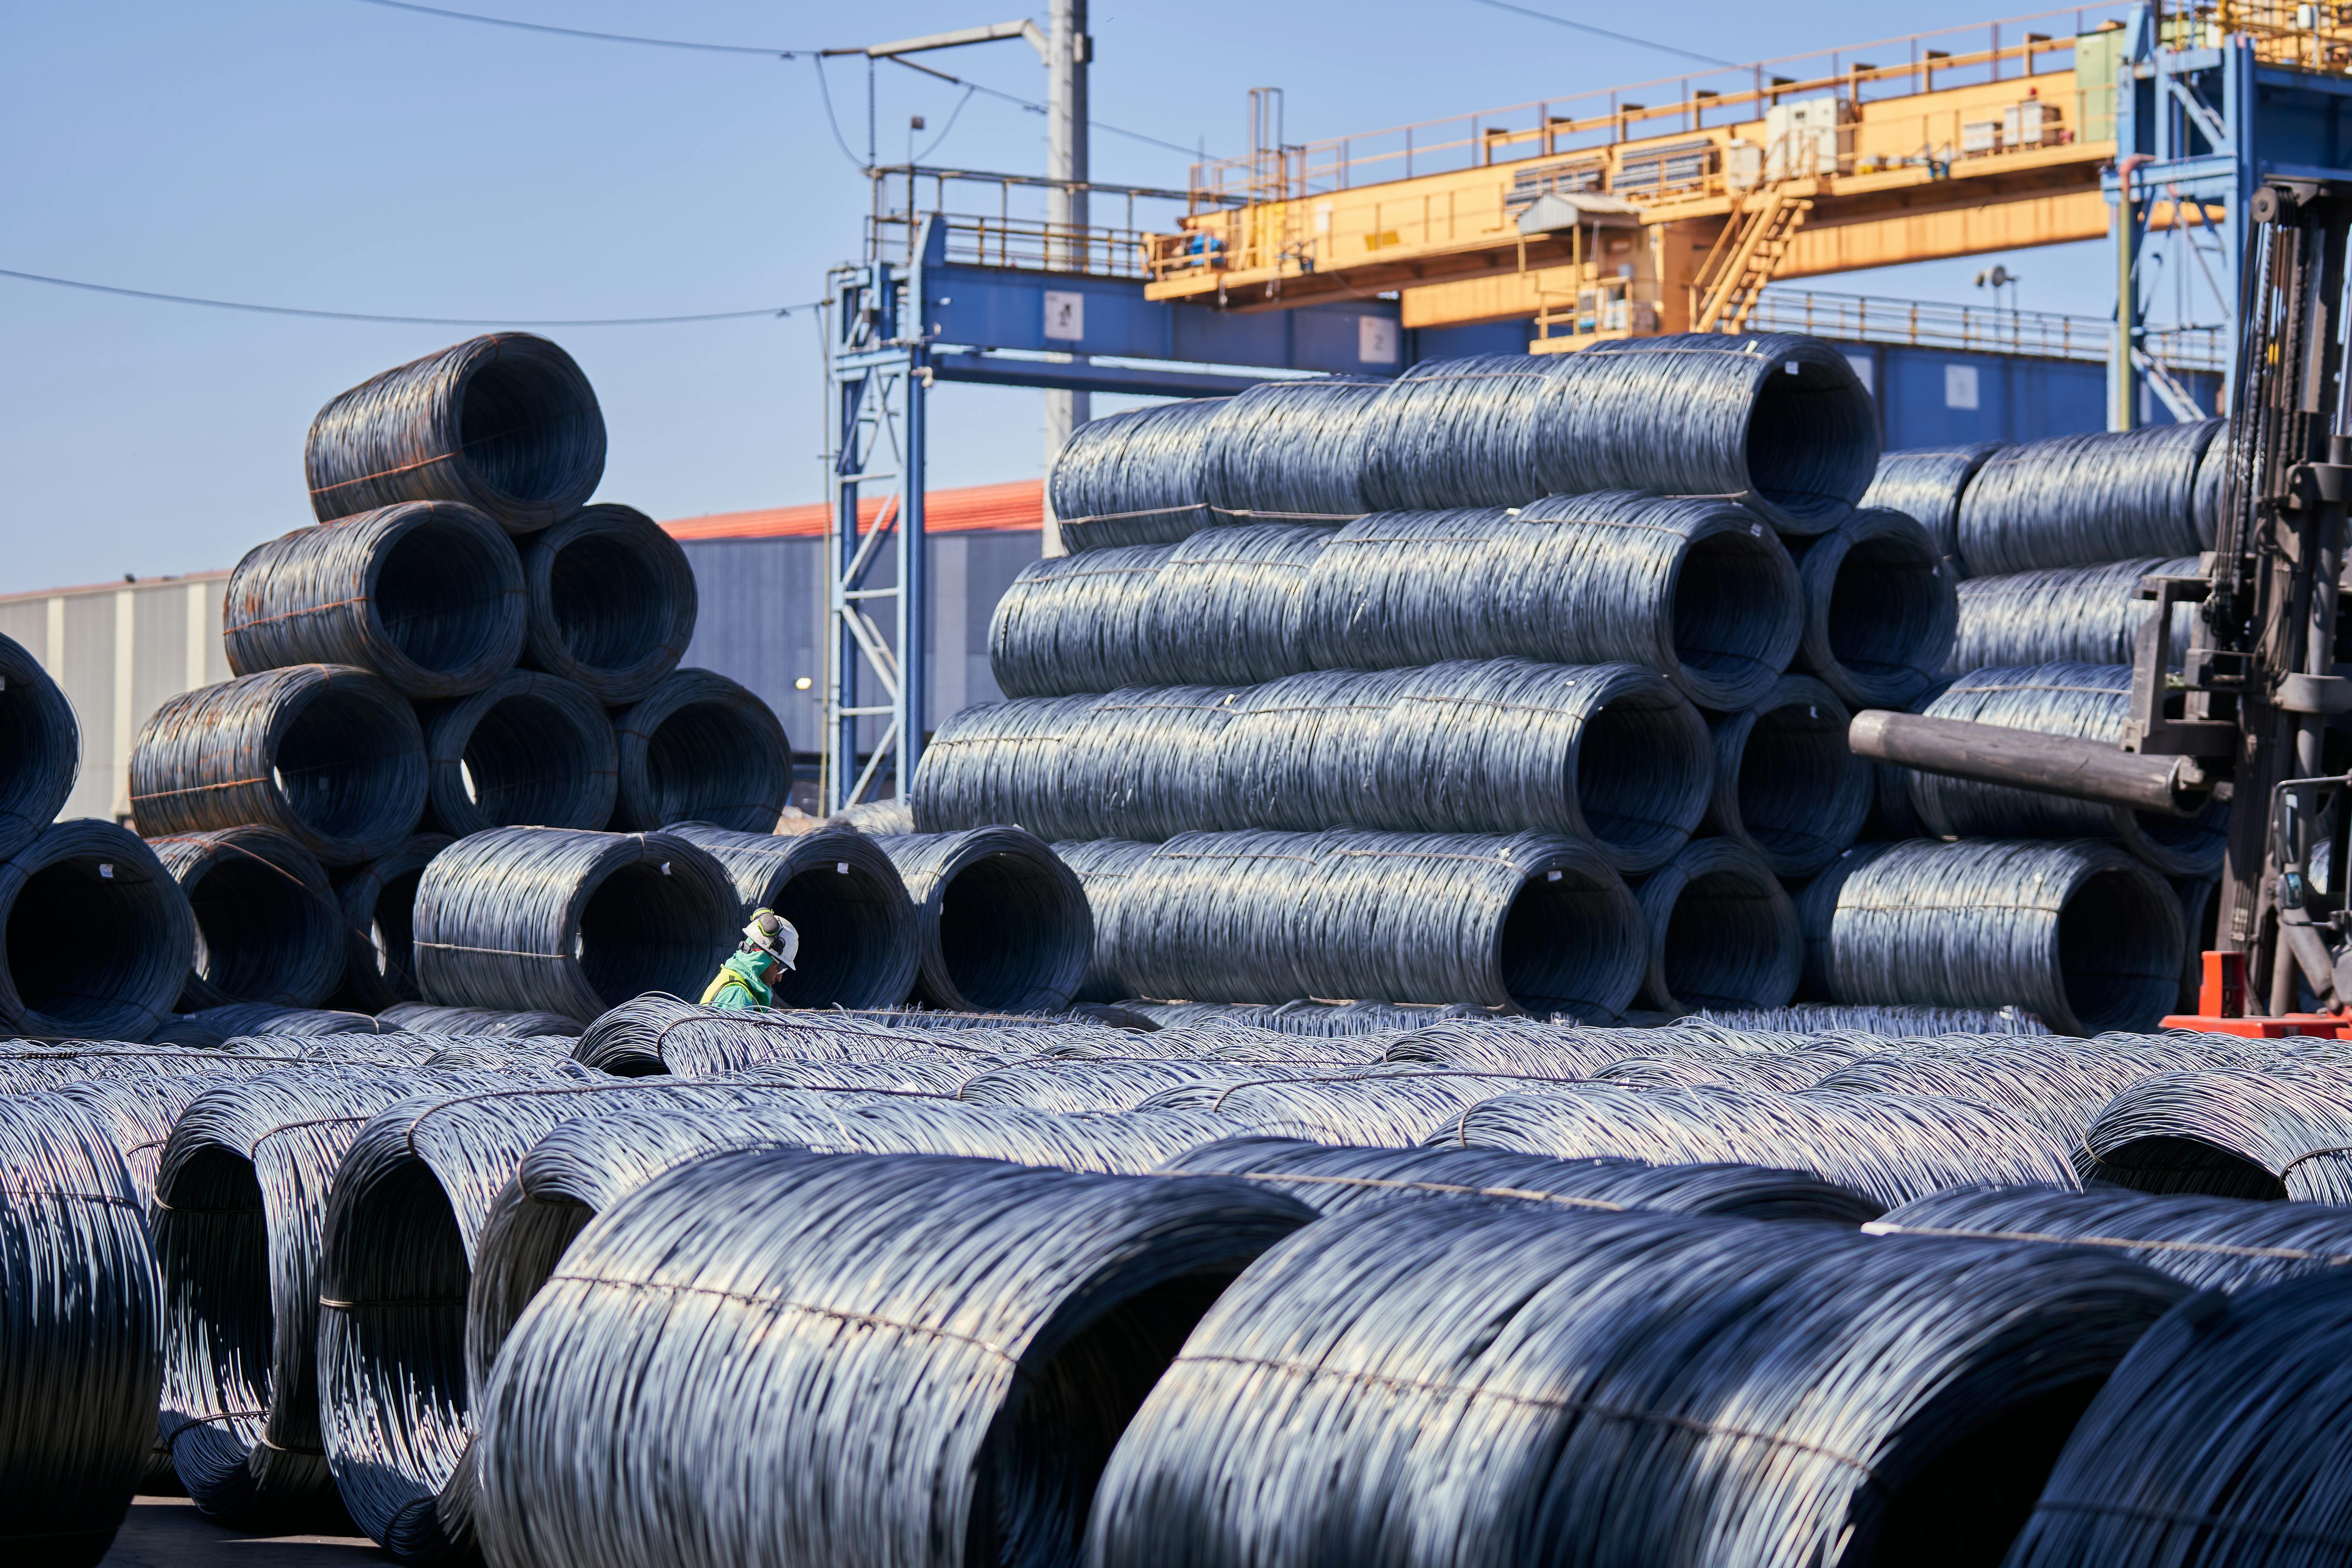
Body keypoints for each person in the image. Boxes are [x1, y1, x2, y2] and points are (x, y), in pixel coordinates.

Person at [699, 907, 798, 1010]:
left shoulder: (736, 983)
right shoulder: (738, 995)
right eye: (779, 969)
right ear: (762, 958)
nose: (779, 978)